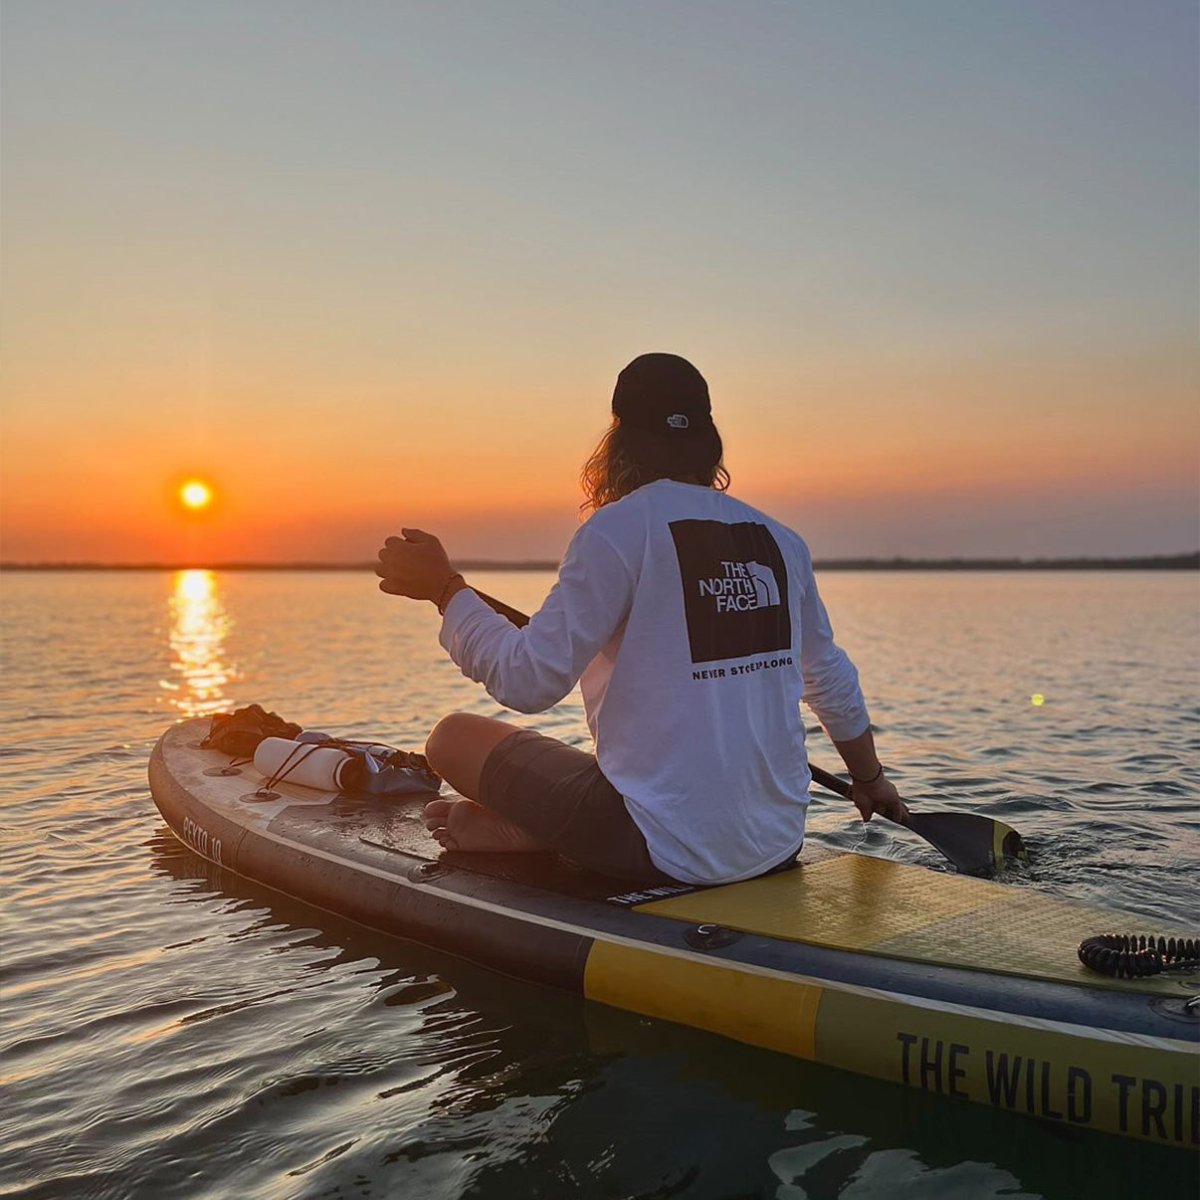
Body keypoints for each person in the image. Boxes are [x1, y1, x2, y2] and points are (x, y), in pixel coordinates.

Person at [376, 353, 906, 887]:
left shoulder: (616, 530)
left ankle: (540, 830)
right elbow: (829, 678)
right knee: (613, 759)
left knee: (450, 738)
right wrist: (870, 778)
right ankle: (550, 827)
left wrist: (446, 591)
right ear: (708, 442)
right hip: (777, 842)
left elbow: (527, 681)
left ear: (619, 442)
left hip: (659, 850)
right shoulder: (780, 540)